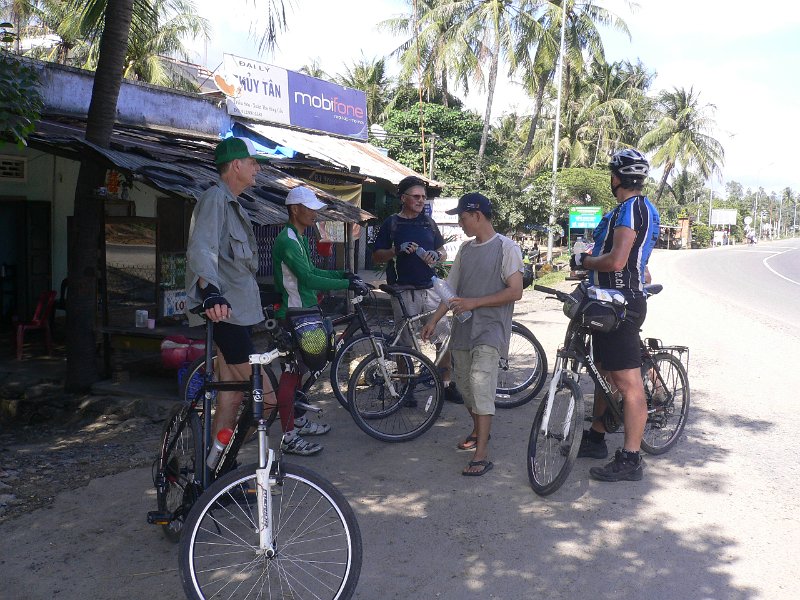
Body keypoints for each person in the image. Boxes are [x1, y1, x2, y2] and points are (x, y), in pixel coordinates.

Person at [570, 148, 660, 482]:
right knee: (603, 373)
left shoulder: (633, 209)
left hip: (620, 306)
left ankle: (631, 459)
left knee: (628, 384)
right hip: (607, 302)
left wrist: (585, 263)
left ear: (615, 178)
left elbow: (618, 261)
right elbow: (639, 264)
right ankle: (595, 438)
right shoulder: (631, 209)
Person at [421, 193, 524, 476]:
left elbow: (515, 291)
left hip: (491, 330)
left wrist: (474, 303)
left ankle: (481, 453)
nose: (461, 223)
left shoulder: (506, 247)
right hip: (463, 329)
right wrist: (433, 321)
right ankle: (480, 431)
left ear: (477, 216)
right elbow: (450, 292)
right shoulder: (466, 250)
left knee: (480, 385)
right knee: (466, 389)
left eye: (463, 218)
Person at [185, 136, 276, 442]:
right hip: (225, 317)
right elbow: (202, 248)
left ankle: (215, 476)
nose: (258, 169)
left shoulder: (234, 204)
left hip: (238, 314)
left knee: (231, 399)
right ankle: (224, 468)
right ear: (236, 165)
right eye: (253, 163)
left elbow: (237, 266)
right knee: (269, 401)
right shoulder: (215, 198)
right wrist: (209, 290)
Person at [272, 185, 365, 455]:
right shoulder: (287, 239)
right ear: (295, 209)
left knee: (301, 370)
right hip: (293, 314)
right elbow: (308, 279)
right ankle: (288, 436)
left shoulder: (299, 237)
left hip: (306, 311)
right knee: (290, 374)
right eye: (310, 208)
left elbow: (312, 270)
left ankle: (298, 421)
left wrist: (344, 275)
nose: (315, 213)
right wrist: (347, 283)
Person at [372, 176, 461, 403]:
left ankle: (445, 384)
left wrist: (437, 255)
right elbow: (376, 255)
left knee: (444, 336)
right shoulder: (392, 224)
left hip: (430, 288)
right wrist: (395, 250)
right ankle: (406, 387)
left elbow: (442, 251)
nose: (421, 200)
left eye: (423, 197)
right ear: (403, 198)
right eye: (416, 196)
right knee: (405, 344)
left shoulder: (428, 223)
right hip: (403, 291)